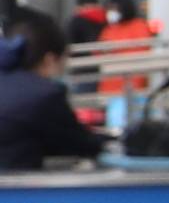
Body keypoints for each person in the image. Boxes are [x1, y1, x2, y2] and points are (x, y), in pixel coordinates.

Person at [0, 13, 97, 167]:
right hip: (17, 187)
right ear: (50, 60)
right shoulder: (45, 95)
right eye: (64, 61)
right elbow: (82, 145)